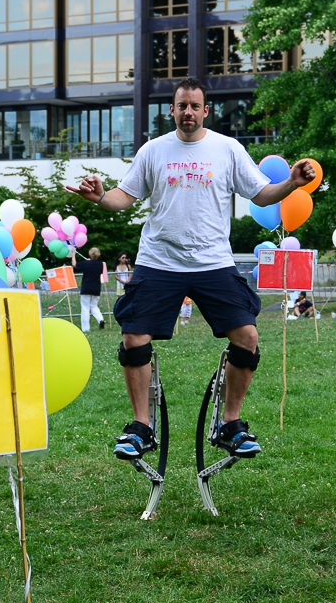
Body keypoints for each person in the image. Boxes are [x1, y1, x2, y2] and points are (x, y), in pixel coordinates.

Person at [76, 76, 318, 462]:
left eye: (195, 106)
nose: (188, 112)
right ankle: (141, 428)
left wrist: (290, 183)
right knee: (133, 337)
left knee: (248, 337)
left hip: (213, 262)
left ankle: (230, 424)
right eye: (181, 105)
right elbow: (124, 197)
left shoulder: (228, 149)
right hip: (159, 260)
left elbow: (260, 193)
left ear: (206, 111)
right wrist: (101, 196)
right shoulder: (153, 151)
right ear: (171, 110)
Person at [74, 247, 106, 332]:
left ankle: (85, 328)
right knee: (94, 306)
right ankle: (101, 319)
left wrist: (73, 254)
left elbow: (75, 265)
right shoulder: (100, 264)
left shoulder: (85, 263)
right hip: (96, 288)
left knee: (85, 308)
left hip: (86, 288)